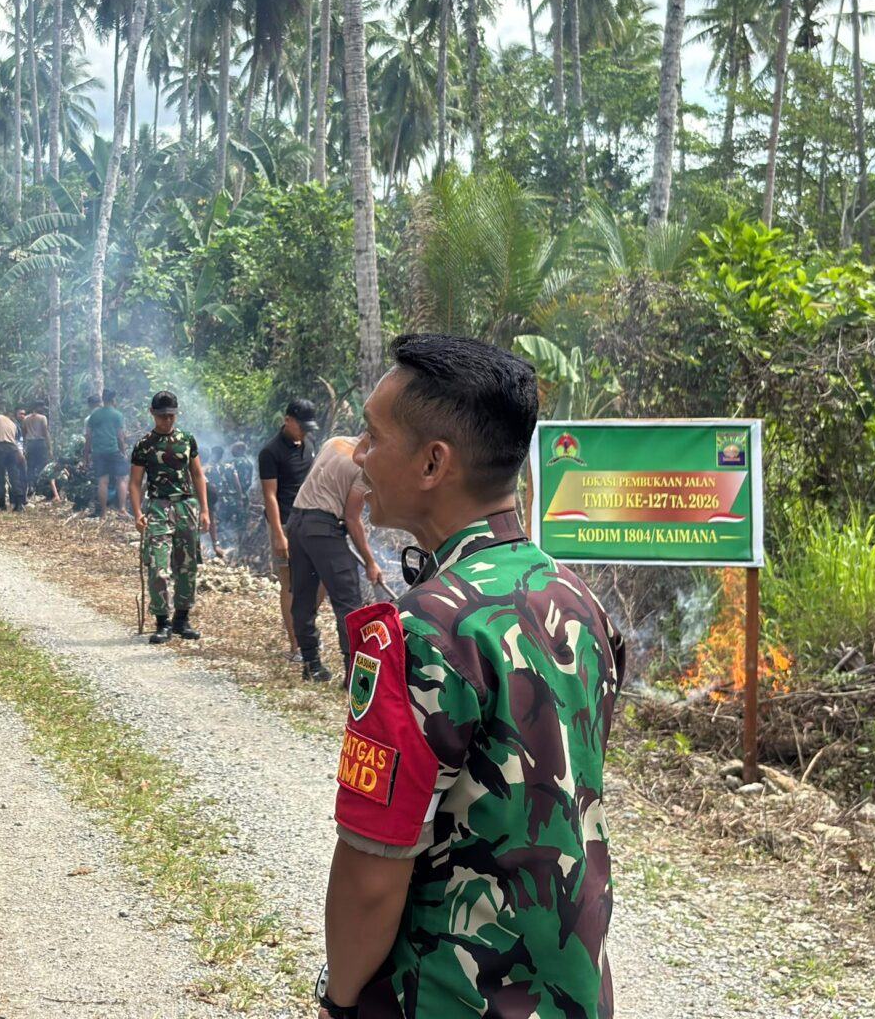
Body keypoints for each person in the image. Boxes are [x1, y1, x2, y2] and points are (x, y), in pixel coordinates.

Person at [317, 334, 623, 1019]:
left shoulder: (420, 629)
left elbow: (372, 875)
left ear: (433, 462)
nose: (358, 454)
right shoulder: (579, 601)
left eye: (372, 435)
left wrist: (339, 1002)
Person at [286, 432, 385, 684]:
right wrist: (370, 562)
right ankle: (353, 677)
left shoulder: (333, 442)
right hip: (323, 529)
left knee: (303, 596)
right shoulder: (365, 465)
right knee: (348, 602)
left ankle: (311, 664)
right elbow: (352, 518)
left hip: (297, 523)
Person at [128, 390, 210, 645]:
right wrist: (138, 513)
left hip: (186, 506)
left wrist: (205, 510)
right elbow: (135, 482)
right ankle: (162, 621)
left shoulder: (187, 440)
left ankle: (182, 620)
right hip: (158, 508)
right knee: (158, 567)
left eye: (171, 415)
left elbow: (197, 475)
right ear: (152, 414)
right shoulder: (144, 445)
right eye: (162, 416)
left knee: (187, 566)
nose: (167, 420)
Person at [259, 399, 318, 646]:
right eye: (301, 426)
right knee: (290, 583)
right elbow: (270, 495)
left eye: (308, 427)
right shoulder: (270, 452)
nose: (304, 432)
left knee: (318, 579)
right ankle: (296, 645)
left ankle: (306, 629)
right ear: (287, 420)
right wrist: (278, 534)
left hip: (310, 521)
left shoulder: (309, 444)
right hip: (284, 523)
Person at [85, 390, 130, 519]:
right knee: (122, 478)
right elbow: (120, 437)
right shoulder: (117, 415)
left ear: (103, 399)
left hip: (98, 452)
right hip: (113, 450)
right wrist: (123, 452)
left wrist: (86, 455)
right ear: (113, 400)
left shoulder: (94, 415)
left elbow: (88, 437)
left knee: (102, 481)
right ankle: (122, 509)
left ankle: (103, 513)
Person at [20, 402, 53, 501]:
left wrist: (24, 447)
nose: (42, 409)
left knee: (30, 466)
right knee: (41, 466)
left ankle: (31, 486)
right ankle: (39, 488)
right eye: (41, 407)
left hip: (30, 444)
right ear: (37, 407)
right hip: (40, 443)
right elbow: (45, 432)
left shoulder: (26, 419)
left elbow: (24, 434)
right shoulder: (42, 418)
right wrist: (50, 448)